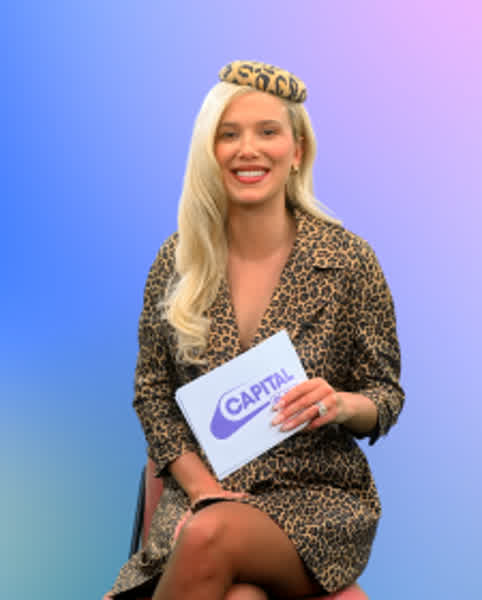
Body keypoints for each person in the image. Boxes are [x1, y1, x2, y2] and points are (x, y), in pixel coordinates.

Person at [105, 61, 404, 600]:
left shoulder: (349, 261)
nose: (248, 149)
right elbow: (152, 393)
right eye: (229, 134)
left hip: (315, 501)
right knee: (239, 591)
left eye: (268, 132)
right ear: (210, 151)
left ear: (297, 151)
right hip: (203, 495)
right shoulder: (178, 260)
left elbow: (385, 394)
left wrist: (340, 404)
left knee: (211, 536)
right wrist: (203, 490)